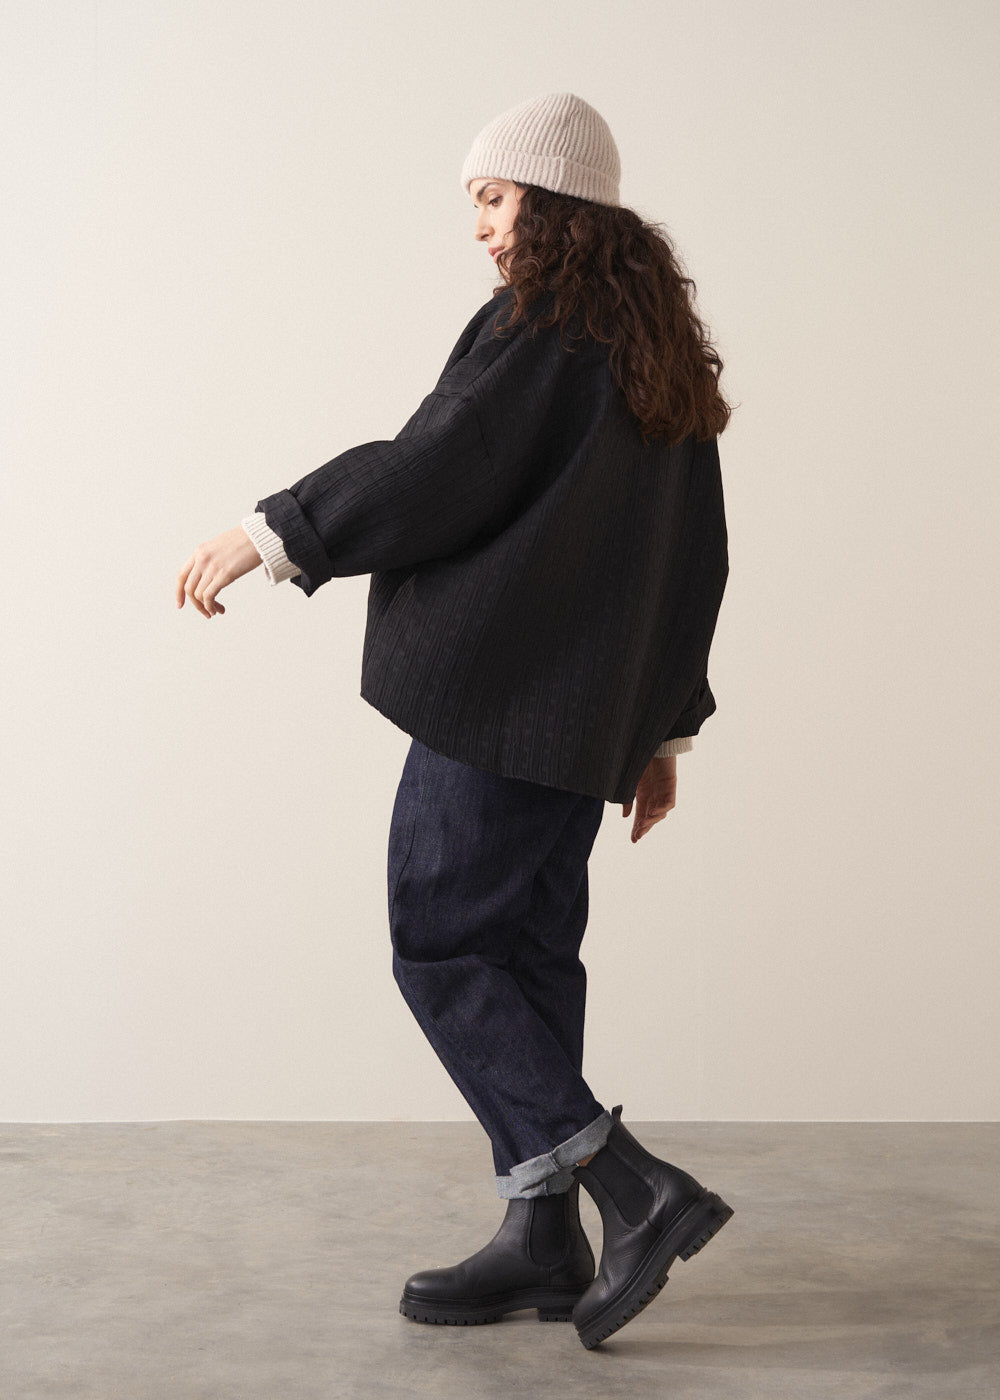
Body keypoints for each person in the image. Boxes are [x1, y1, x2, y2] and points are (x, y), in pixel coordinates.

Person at [175, 91, 734, 1350]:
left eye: (493, 198)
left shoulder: (544, 329)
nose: (479, 226)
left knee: (440, 943)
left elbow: (440, 463)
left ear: (554, 202)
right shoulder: (649, 344)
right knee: (526, 955)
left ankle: (634, 1188)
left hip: (502, 706)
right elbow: (693, 555)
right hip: (576, 725)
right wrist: (662, 730)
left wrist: (273, 531)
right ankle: (542, 1238)